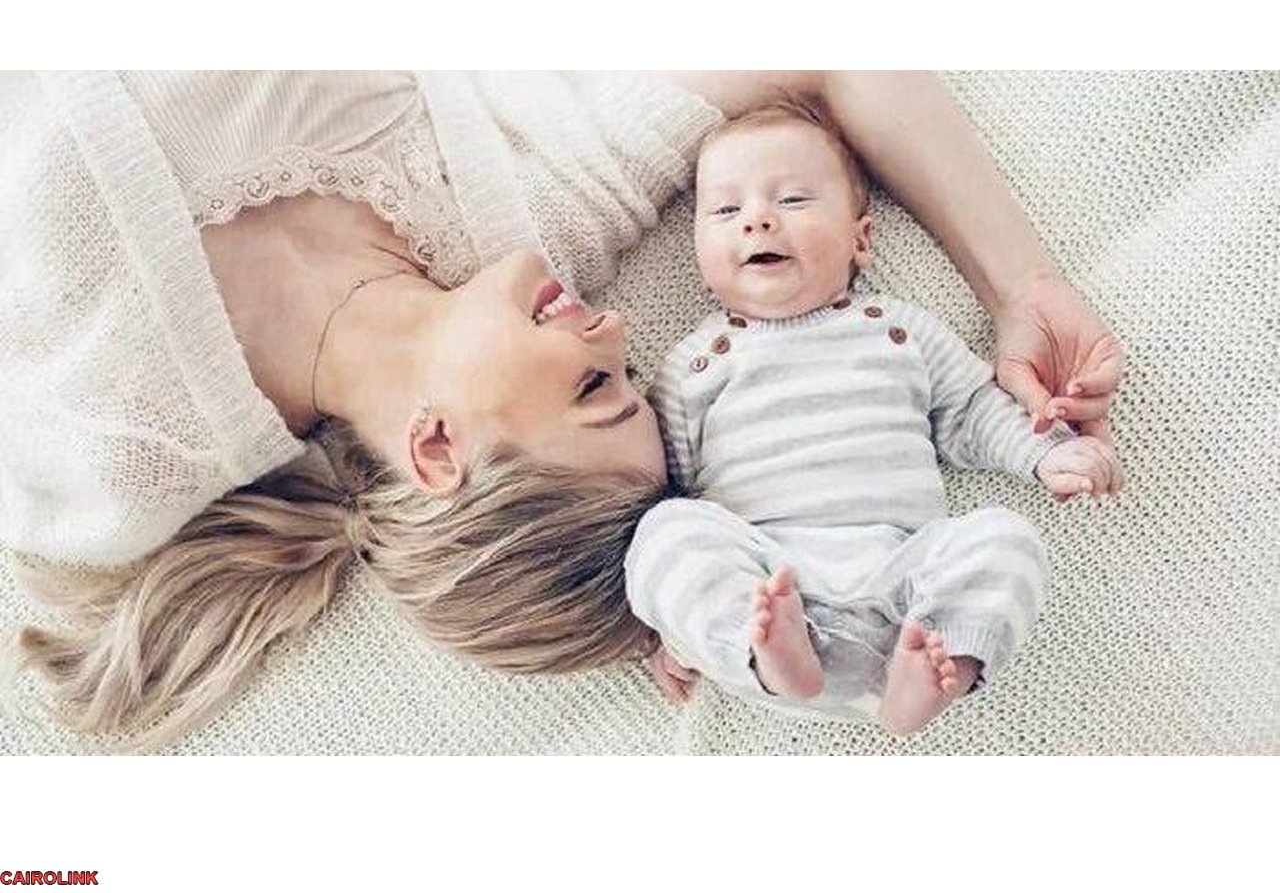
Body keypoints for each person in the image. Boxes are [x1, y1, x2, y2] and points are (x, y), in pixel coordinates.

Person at [0, 71, 1123, 749]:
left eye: (594, 389)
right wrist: (1022, 289)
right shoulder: (543, 215)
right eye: (628, 382)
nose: (617, 330)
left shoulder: (111, 463)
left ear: (436, 450)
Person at [625, 97, 1124, 734]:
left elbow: (971, 409)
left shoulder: (898, 331)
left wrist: (1045, 453)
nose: (757, 220)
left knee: (1006, 540)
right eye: (726, 211)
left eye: (793, 200)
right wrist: (671, 623)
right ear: (698, 249)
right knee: (663, 530)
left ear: (860, 239)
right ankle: (764, 653)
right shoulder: (693, 365)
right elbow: (668, 487)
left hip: (904, 586)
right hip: (772, 581)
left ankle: (936, 672)